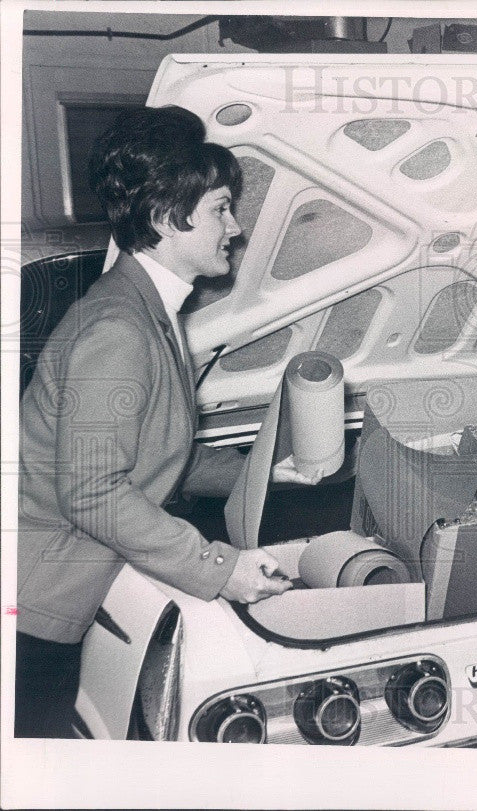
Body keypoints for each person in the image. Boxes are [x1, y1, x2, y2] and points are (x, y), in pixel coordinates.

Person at [16, 106, 320, 738]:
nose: (235, 228)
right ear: (165, 218)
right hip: (31, 607)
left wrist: (267, 473)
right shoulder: (118, 329)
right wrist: (219, 567)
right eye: (220, 208)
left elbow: (157, 451)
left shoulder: (145, 309)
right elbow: (93, 492)